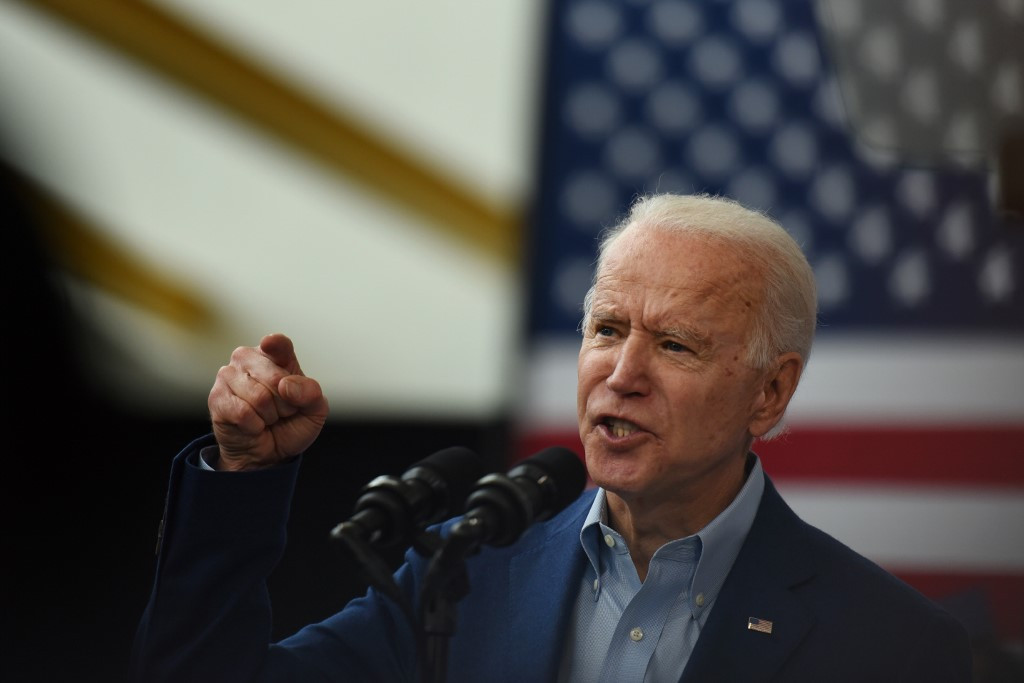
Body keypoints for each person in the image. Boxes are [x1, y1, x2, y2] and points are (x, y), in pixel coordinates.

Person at [130, 193, 972, 682]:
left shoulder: (894, 645)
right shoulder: (459, 578)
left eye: (674, 343)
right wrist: (242, 475)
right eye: (606, 328)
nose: (623, 372)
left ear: (771, 391)